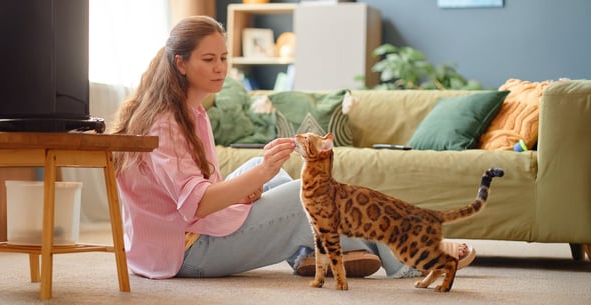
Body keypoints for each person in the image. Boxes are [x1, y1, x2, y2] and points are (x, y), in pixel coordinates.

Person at [111, 16, 475, 280]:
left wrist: (256, 178)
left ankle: (308, 254)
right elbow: (199, 203)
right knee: (315, 196)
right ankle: (410, 258)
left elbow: (198, 195)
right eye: (209, 60)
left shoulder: (189, 112)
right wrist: (261, 174)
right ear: (180, 63)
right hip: (187, 252)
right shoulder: (167, 122)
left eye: (224, 58)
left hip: (177, 238)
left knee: (269, 171)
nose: (221, 68)